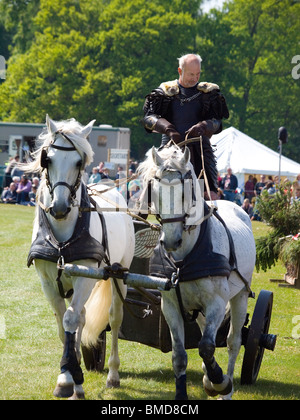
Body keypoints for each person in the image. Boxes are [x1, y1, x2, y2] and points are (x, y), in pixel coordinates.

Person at [142, 53, 229, 196]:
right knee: (148, 194)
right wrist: (169, 129)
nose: (195, 78)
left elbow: (218, 123)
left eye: (198, 74)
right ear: (180, 71)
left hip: (200, 151)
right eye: (191, 74)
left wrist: (204, 126)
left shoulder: (208, 93)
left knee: (209, 195)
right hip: (169, 150)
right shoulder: (165, 91)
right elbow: (148, 118)